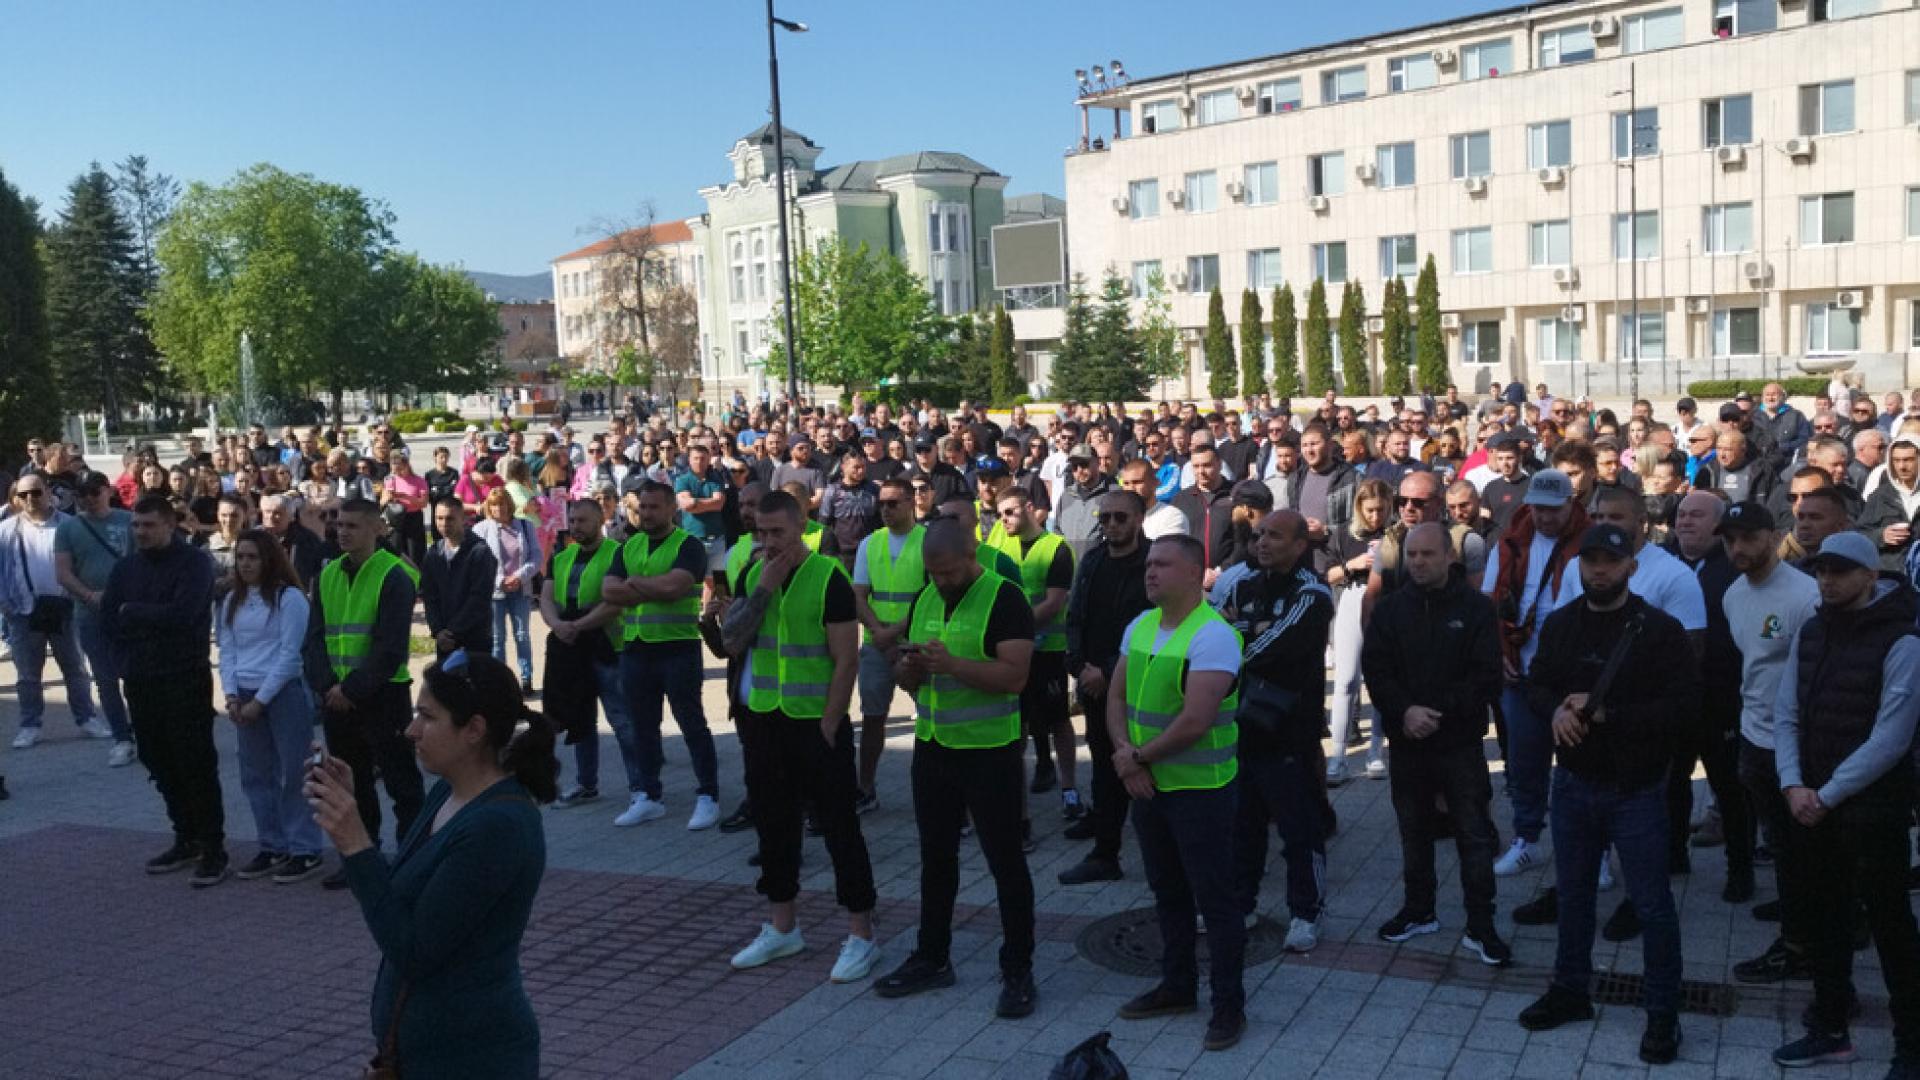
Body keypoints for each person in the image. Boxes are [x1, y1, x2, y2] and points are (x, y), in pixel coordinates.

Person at [305, 650, 555, 1080]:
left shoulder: (500, 825)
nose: (411, 730)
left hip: (473, 1058)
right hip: (427, 1055)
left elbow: (414, 949)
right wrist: (356, 817)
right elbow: (402, 895)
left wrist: (356, 845)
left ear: (474, 730)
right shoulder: (448, 793)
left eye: (427, 716)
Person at [1517, 524, 1697, 1066]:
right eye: (1590, 560)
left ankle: (1663, 1012)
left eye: (1610, 562)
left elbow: (1683, 708)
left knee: (1652, 905)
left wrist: (1605, 713)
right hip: (1572, 785)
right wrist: (1555, 710)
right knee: (1572, 896)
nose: (1599, 570)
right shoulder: (1563, 624)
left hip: (1636, 790)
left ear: (1629, 569)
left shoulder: (1659, 630)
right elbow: (1537, 682)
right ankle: (1571, 990)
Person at [1770, 531, 1920, 1072]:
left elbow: (1891, 738)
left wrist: (1825, 795)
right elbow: (1785, 711)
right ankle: (1831, 1025)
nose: (1827, 581)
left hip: (1870, 810)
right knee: (1823, 922)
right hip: (1811, 803)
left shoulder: (1903, 640)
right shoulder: (1813, 631)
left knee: (1890, 926)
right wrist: (1791, 783)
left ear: (1869, 576)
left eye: (1839, 571)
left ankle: (1911, 1041)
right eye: (1821, 572)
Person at [875, 521, 1038, 1016]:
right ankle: (932, 956)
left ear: (972, 556)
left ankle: (1018, 969)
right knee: (935, 858)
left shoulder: (1005, 598)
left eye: (948, 571)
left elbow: (1015, 677)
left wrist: (954, 667)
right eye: (933, 573)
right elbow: (910, 677)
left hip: (991, 753)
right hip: (934, 747)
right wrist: (908, 672)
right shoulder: (924, 597)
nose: (940, 580)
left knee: (1005, 862)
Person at [720, 491, 880, 983]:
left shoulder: (828, 577)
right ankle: (782, 927)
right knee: (773, 826)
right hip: (764, 720)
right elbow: (731, 642)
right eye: (760, 533)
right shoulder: (751, 573)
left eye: (777, 533)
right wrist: (762, 588)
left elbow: (846, 659)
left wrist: (831, 721)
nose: (768, 543)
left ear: (802, 527)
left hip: (816, 725)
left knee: (838, 828)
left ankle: (861, 933)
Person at [1109, 534, 1247, 1053]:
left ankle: (1228, 1006)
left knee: (1216, 901)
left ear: (1195, 573)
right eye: (1149, 564)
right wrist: (1126, 757)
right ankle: (1177, 986)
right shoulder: (1140, 626)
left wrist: (1135, 759)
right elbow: (1116, 697)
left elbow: (1195, 721)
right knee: (1167, 893)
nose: (1150, 572)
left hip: (1199, 792)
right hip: (1147, 786)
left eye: (1163, 564)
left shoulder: (1213, 636)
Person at [1362, 523, 1509, 964]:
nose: (1419, 563)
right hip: (1407, 742)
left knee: (1473, 834)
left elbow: (1486, 676)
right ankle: (1418, 909)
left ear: (1449, 557)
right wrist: (1404, 711)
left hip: (1459, 743)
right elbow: (1377, 670)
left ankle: (1481, 923)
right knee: (1414, 831)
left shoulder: (1477, 609)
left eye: (1428, 554)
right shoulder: (1390, 610)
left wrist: (1436, 712)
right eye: (1412, 555)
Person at [99, 495, 222, 883]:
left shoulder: (194, 564)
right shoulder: (125, 569)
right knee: (156, 757)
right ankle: (185, 835)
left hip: (184, 678)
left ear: (170, 525)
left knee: (195, 762)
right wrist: (127, 649)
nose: (141, 532)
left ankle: (213, 847)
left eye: (149, 525)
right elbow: (109, 620)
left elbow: (184, 616)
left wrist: (134, 612)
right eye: (136, 525)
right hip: (140, 679)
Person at [1226, 510, 1334, 954]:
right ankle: (1242, 903)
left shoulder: (1312, 593)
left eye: (1273, 536)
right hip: (1242, 726)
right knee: (1243, 824)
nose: (1262, 544)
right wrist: (1245, 633)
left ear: (1299, 545)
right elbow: (1215, 629)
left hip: (1290, 731)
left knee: (1299, 828)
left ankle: (1306, 913)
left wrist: (1244, 634)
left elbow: (1264, 649)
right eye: (1258, 536)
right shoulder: (1243, 585)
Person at [305, 498, 426, 890]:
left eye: (353, 526)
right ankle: (362, 856)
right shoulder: (327, 575)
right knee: (349, 784)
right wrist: (327, 687)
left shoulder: (394, 575)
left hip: (383, 695)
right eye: (339, 525)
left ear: (378, 529)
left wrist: (351, 689)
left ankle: (412, 857)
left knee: (401, 782)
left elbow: (390, 648)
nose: (342, 532)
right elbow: (314, 640)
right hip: (337, 700)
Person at [599, 481, 721, 829]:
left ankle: (708, 796)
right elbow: (608, 590)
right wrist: (646, 587)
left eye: (654, 507)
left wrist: (634, 584)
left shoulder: (689, 546)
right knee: (643, 727)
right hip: (636, 649)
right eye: (641, 508)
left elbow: (676, 587)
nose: (646, 514)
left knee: (691, 724)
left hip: (677, 647)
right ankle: (649, 796)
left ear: (672, 510)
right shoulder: (628, 545)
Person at [1484, 469, 1588, 876]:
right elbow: (1489, 600)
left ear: (1571, 505)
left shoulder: (1588, 542)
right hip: (1521, 672)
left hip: (1571, 680)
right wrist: (1499, 650)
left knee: (1579, 770)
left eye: (1554, 510)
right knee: (1525, 764)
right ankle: (1527, 840)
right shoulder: (1509, 541)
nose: (1545, 518)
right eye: (1538, 509)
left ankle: (1589, 851)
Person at [217, 529, 326, 884]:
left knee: (295, 772)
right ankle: (272, 843)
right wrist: (232, 695)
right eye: (241, 557)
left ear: (269, 560)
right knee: (256, 775)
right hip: (244, 694)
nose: (246, 564)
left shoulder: (289, 598)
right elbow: (228, 650)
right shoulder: (232, 599)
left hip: (282, 693)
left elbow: (289, 654)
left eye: (253, 557)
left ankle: (305, 848)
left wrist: (260, 700)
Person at [1058, 488, 1155, 885]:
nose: (1112, 525)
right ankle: (1105, 847)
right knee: (1103, 764)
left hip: (1137, 683)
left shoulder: (1153, 563)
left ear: (1138, 519)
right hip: (1094, 682)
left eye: (1120, 517)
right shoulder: (1094, 560)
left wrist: (1109, 670)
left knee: (1139, 763)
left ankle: (1144, 848)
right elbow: (1075, 615)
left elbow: (1156, 625)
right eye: (1105, 518)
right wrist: (1079, 666)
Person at [538, 498, 639, 811]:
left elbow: (615, 603)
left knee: (621, 720)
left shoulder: (618, 554)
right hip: (572, 649)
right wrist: (557, 625)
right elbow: (546, 596)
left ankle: (641, 787)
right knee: (580, 718)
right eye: (573, 519)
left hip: (607, 648)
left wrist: (577, 625)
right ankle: (586, 784)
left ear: (600, 521)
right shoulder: (563, 555)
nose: (576, 526)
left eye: (583, 520)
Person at [995, 490, 1078, 825]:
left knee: (1058, 720)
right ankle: (1016, 805)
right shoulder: (1000, 545)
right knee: (1017, 726)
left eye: (1011, 512)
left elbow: (1055, 602)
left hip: (1049, 652)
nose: (1005, 520)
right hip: (1015, 652)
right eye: (1000, 514)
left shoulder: (1056, 547)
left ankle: (1070, 792)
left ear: (1030, 509)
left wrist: (1016, 627)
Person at [3, 473, 101, 749]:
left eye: (35, 492)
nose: (30, 499)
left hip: (65, 607)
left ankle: (86, 718)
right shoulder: (6, 530)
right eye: (23, 495)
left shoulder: (70, 525)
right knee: (27, 675)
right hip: (24, 610)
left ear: (48, 492)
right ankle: (29, 725)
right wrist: (5, 605)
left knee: (75, 669)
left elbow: (83, 562)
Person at [53, 471, 137, 765]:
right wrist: (90, 595)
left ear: (108, 490)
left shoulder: (129, 522)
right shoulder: (69, 528)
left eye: (94, 491)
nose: (89, 498)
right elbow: (63, 572)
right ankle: (121, 738)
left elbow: (142, 564)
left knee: (136, 674)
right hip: (90, 614)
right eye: (82, 493)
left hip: (129, 611)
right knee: (105, 677)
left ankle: (144, 731)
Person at [850, 477, 923, 811]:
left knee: (931, 718)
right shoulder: (870, 544)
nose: (885, 510)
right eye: (881, 504)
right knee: (872, 718)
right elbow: (859, 596)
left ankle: (941, 795)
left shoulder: (927, 541)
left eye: (893, 503)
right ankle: (865, 788)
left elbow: (931, 597)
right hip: (877, 645)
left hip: (916, 644)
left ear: (911, 502)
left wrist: (890, 633)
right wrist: (880, 633)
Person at [1325, 479, 1392, 783]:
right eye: (1370, 511)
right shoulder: (1344, 533)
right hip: (1352, 596)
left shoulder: (1394, 534)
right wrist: (1353, 564)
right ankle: (1337, 756)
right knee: (1345, 680)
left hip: (1386, 599)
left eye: (1381, 510)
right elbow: (1328, 574)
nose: (1375, 517)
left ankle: (1375, 751)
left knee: (1379, 677)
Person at [473, 488, 540, 694]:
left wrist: (520, 576)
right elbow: (478, 563)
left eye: (501, 504)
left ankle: (526, 677)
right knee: (497, 638)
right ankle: (499, 680)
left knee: (522, 635)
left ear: (509, 505)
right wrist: (500, 580)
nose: (498, 509)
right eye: (493, 505)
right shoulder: (481, 529)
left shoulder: (525, 527)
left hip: (520, 589)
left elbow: (536, 557)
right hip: (495, 592)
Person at [420, 496, 496, 660]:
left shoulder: (480, 552)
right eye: (439, 518)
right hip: (444, 640)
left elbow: (479, 599)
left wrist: (452, 632)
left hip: (474, 639)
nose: (444, 523)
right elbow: (429, 596)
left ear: (463, 519)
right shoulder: (433, 553)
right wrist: (438, 630)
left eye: (450, 518)